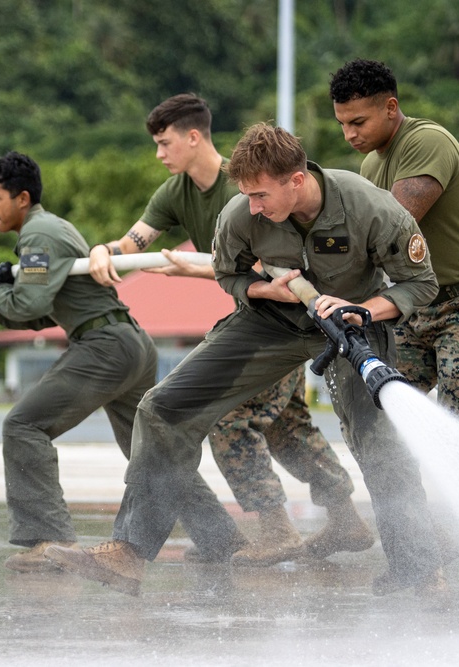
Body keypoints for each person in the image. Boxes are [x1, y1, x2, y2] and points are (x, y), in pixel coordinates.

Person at [45, 124, 446, 597]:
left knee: (380, 442)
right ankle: (128, 554)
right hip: (273, 322)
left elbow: (420, 284)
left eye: (260, 195)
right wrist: (263, 289)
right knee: (163, 409)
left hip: (355, 327)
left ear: (296, 180)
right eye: (247, 196)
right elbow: (226, 271)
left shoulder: (369, 207)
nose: (253, 206)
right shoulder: (241, 214)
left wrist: (361, 310)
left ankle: (418, 572)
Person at [88, 93, 373, 566]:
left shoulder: (247, 188)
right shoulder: (175, 192)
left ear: (193, 136)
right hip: (262, 317)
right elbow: (135, 240)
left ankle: (276, 530)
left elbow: (276, 269)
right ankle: (345, 517)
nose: (159, 154)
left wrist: (196, 271)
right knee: (286, 424)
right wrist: (105, 250)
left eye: (164, 143)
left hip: (285, 319)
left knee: (231, 420)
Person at [0, 151, 241, 573]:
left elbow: (28, 302)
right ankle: (222, 541)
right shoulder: (49, 229)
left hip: (105, 345)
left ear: (22, 198)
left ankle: (49, 539)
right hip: (129, 342)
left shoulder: (38, 234)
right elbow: (43, 314)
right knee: (150, 453)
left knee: (23, 426)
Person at [329, 59, 459, 443]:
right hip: (413, 309)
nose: (348, 134)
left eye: (358, 122)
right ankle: (403, 507)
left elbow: (394, 227)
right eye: (342, 124)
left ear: (390, 107)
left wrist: (328, 249)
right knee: (377, 423)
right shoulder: (371, 164)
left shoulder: (427, 141)